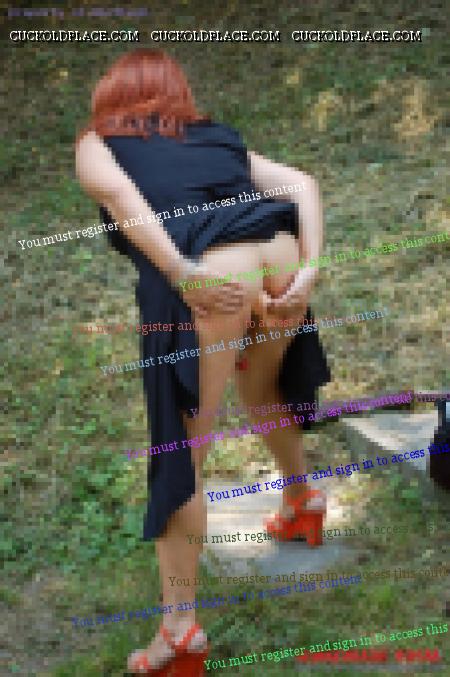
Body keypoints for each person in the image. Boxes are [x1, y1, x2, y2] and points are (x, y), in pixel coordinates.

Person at [75, 48, 330, 675]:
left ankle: (178, 631)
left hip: (213, 269)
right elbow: (303, 184)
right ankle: (301, 501)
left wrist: (180, 272)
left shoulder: (97, 142)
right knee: (265, 388)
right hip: (278, 251)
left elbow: (118, 195)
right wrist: (308, 273)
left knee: (184, 450)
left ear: (110, 96)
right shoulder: (217, 137)